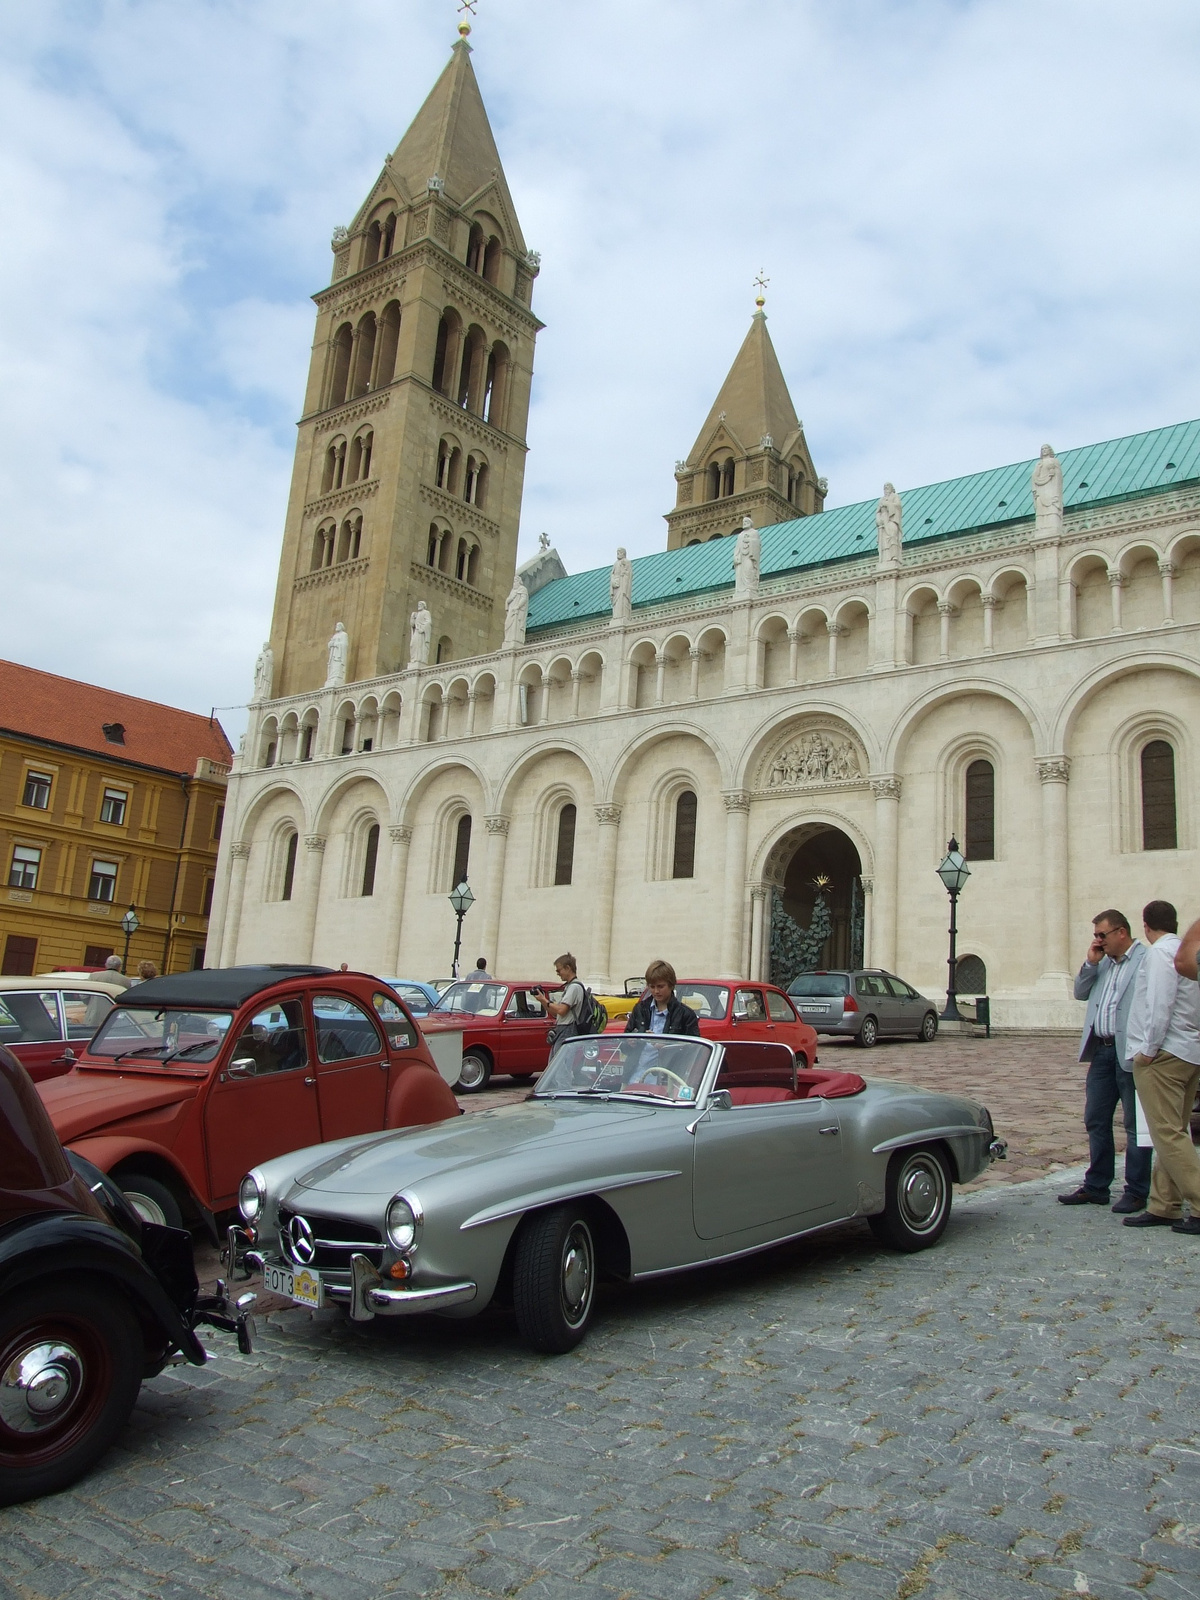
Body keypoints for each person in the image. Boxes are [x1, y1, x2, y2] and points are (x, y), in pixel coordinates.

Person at [1059, 909, 1149, 1210]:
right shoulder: (1103, 963)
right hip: (1101, 1050)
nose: (1098, 940)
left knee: (1134, 1124)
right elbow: (1080, 992)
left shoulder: (1144, 960)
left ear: (1121, 932)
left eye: (1102, 935)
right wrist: (1089, 963)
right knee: (1095, 1119)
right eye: (1095, 935)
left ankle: (1137, 1190)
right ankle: (1096, 1186)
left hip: (1130, 1051)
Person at [1125, 900, 1200, 1235]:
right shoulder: (1187, 953)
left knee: (1166, 1133)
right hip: (1190, 1050)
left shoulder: (1158, 954)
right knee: (1176, 1130)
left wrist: (1148, 1051)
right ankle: (1164, 1204)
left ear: (1145, 925)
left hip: (1164, 1053)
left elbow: (1158, 1003)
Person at [623, 960, 700, 1037]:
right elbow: (624, 1043)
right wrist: (632, 1042)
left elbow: (694, 1047)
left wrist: (665, 1045)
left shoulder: (686, 1014)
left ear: (671, 985)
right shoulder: (639, 1009)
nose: (656, 991)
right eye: (652, 987)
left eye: (660, 986)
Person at [534, 954, 587, 1052]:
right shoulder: (569, 986)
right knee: (555, 1063)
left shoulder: (574, 987)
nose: (558, 974)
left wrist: (545, 1000)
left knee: (561, 1064)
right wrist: (542, 1000)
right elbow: (556, 1013)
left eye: (559, 970)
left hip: (568, 1029)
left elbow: (561, 1010)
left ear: (568, 968)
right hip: (563, 1028)